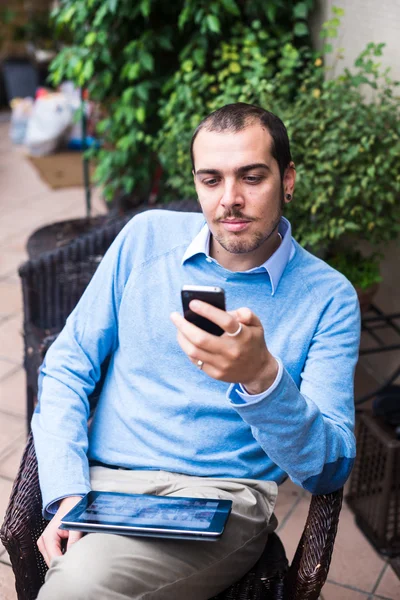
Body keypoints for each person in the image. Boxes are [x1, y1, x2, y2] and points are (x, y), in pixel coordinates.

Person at [32, 103, 360, 600]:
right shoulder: (144, 240)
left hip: (221, 501)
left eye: (252, 177)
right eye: (211, 180)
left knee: (75, 589)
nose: (230, 200)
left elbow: (328, 470)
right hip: (105, 487)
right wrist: (67, 488)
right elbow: (66, 366)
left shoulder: (329, 298)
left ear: (288, 179)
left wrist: (264, 380)